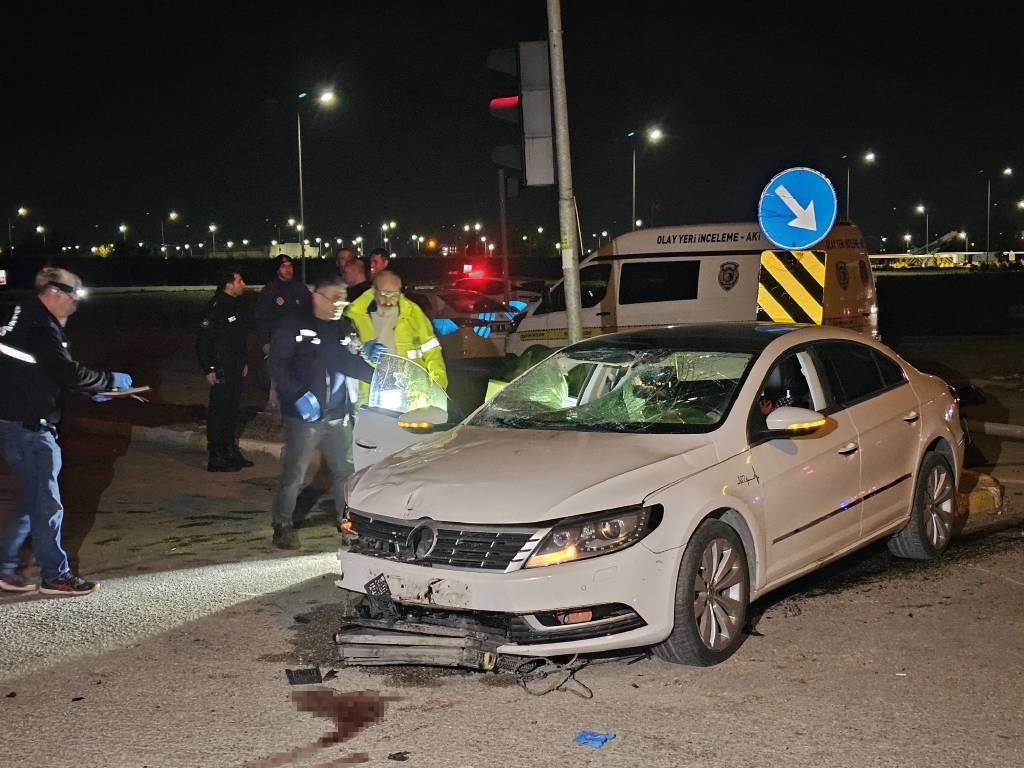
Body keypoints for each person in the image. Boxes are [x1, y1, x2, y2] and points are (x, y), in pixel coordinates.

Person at [0, 267, 132, 596]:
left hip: (15, 421)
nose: (76, 302)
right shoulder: (41, 327)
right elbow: (63, 370)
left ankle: (5, 567)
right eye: (74, 294)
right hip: (31, 427)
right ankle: (54, 576)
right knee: (46, 504)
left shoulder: (21, 316)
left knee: (33, 499)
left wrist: (89, 389)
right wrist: (109, 382)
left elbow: (40, 373)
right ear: (55, 293)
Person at [268, 273, 376, 549]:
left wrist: (377, 375)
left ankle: (347, 524)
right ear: (317, 296)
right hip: (305, 417)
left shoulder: (343, 326)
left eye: (344, 300)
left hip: (338, 414)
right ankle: (282, 524)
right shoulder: (294, 324)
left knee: (345, 473)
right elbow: (277, 365)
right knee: (295, 474)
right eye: (335, 300)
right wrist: (298, 395)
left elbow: (348, 360)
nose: (340, 306)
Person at [346, 271, 447, 401]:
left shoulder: (413, 313)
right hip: (371, 395)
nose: (388, 301)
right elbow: (345, 352)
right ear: (373, 290)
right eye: (383, 294)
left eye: (393, 295)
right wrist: (363, 349)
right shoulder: (355, 315)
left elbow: (432, 351)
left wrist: (438, 385)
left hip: (412, 394)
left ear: (400, 292)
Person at [197, 268, 251, 472]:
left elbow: (238, 338)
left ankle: (229, 449)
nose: (243, 284)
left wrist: (244, 361)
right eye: (239, 280)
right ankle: (216, 455)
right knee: (219, 411)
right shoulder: (217, 306)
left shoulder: (236, 305)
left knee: (232, 409)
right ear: (229, 284)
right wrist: (209, 368)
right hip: (220, 367)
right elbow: (204, 341)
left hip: (235, 366)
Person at [254, 255, 311, 412]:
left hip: (300, 344)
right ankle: (275, 406)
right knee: (277, 377)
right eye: (284, 266)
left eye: (290, 266)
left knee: (298, 374)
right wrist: (265, 341)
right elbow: (261, 317)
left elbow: (310, 313)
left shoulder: (300, 289)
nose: (288, 269)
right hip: (278, 344)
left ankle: (298, 405)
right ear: (277, 270)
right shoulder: (270, 290)